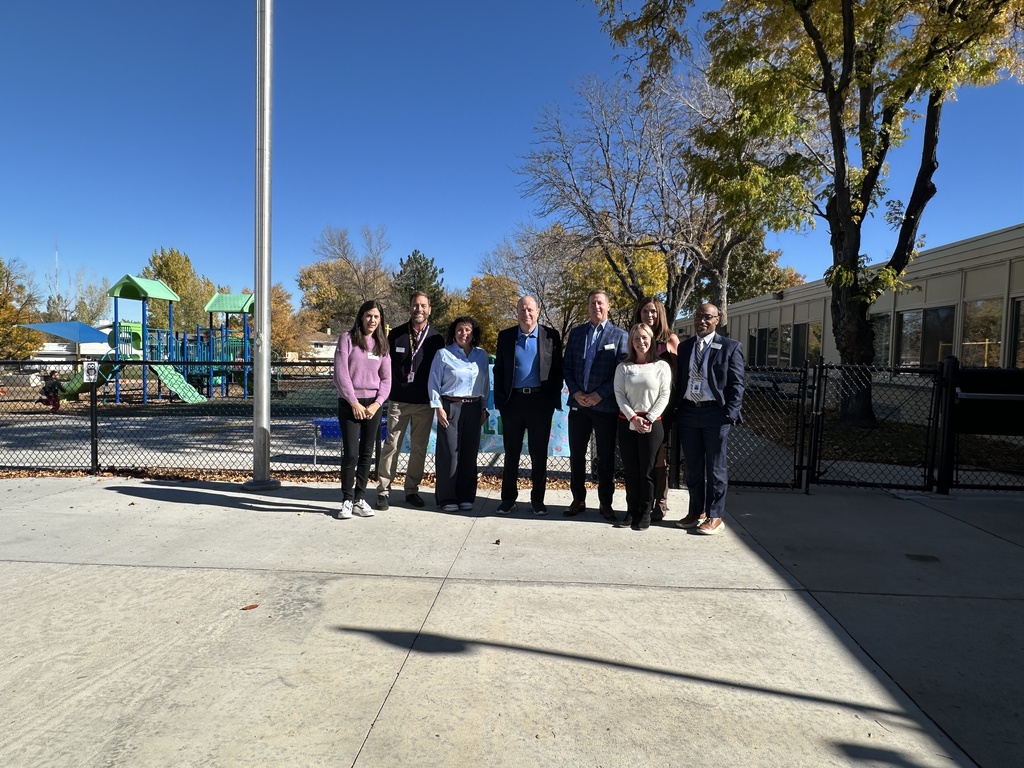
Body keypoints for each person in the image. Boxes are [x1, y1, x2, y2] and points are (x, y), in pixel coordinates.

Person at [675, 303, 745, 535]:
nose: (701, 321)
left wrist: (730, 413)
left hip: (715, 414)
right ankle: (696, 511)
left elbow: (737, 384)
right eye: (698, 316)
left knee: (715, 468)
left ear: (717, 319)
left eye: (707, 317)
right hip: (689, 412)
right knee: (693, 467)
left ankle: (715, 515)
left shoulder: (730, 347)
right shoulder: (685, 347)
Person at [492, 296, 564, 515]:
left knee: (538, 454)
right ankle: (508, 499)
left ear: (538, 311)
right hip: (512, 403)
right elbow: (499, 370)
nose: (526, 314)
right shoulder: (506, 336)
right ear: (517, 312)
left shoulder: (551, 336)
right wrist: (501, 402)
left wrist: (550, 400)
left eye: (530, 309)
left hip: (540, 403)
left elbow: (557, 370)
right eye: (522, 310)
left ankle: (537, 500)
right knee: (511, 453)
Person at [562, 289, 629, 520]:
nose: (596, 307)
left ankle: (605, 503)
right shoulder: (577, 334)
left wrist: (599, 395)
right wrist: (576, 392)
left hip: (605, 406)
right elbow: (567, 367)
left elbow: (621, 372)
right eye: (592, 303)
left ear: (608, 306)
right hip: (579, 405)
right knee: (577, 456)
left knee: (606, 458)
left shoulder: (620, 336)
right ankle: (578, 499)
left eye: (600, 303)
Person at [376, 292, 445, 510]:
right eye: (415, 305)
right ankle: (383, 490)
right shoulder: (396, 334)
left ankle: (411, 490)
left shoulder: (436, 339)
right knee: (391, 446)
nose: (419, 309)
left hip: (424, 403)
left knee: (419, 449)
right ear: (410, 308)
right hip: (399, 401)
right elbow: (384, 367)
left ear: (429, 309)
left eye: (423, 306)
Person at [333, 300, 392, 520]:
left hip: (373, 406)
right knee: (351, 454)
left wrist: (377, 403)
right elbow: (340, 374)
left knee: (367, 454)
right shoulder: (347, 339)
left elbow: (386, 379)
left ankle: (360, 498)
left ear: (380, 320)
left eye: (376, 317)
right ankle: (347, 500)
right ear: (361, 316)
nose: (372, 320)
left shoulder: (381, 344)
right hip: (350, 404)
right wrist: (353, 402)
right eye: (369, 316)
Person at [613, 323, 673, 530]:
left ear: (651, 340)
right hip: (627, 422)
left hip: (652, 424)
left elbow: (665, 394)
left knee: (647, 471)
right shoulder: (623, 367)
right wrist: (632, 418)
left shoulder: (661, 366)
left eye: (645, 337)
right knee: (631, 471)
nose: (641, 342)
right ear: (631, 342)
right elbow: (619, 394)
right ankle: (632, 511)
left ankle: (646, 512)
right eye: (637, 338)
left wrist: (649, 418)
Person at [427, 317, 490, 512]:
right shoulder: (443, 354)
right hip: (450, 407)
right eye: (460, 330)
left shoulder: (481, 355)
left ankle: (465, 496)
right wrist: (438, 407)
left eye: (468, 330)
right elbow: (433, 382)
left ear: (473, 333)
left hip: (474, 408)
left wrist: (484, 408)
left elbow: (485, 384)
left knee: (469, 454)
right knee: (450, 454)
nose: (464, 333)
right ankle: (447, 498)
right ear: (454, 333)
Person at [632, 297, 680, 522]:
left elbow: (678, 377)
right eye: (645, 311)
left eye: (653, 311)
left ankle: (660, 501)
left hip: (663, 408)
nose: (649, 315)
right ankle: (643, 500)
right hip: (636, 408)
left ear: (660, 313)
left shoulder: (670, 340)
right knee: (639, 456)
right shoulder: (636, 337)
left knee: (657, 454)